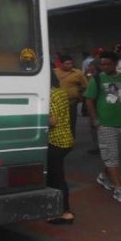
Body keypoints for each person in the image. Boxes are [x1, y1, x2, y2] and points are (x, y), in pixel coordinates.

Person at [85, 51, 121, 203]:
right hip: (106, 124)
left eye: (108, 64)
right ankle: (119, 189)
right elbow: (89, 100)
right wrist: (96, 121)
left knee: (115, 155)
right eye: (102, 64)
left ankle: (103, 177)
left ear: (115, 64)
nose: (105, 67)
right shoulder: (97, 79)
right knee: (112, 155)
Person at [47, 68, 75, 224]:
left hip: (55, 140)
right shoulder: (61, 92)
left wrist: (34, 117)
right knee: (55, 176)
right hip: (66, 139)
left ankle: (65, 212)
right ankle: (58, 209)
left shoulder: (50, 95)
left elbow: (53, 121)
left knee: (56, 178)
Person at [54, 54, 87, 138]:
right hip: (57, 103)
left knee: (71, 122)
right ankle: (59, 139)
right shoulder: (54, 72)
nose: (70, 65)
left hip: (72, 102)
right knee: (59, 122)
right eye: (67, 63)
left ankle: (71, 140)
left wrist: (78, 91)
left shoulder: (78, 73)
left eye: (71, 63)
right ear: (61, 64)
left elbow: (85, 85)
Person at [85, 59, 101, 154]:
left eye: (90, 66)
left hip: (95, 105)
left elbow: (89, 97)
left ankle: (98, 147)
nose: (88, 68)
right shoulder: (93, 76)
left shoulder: (96, 78)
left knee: (95, 126)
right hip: (96, 105)